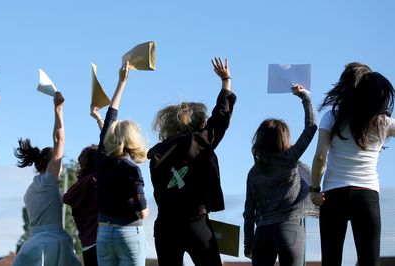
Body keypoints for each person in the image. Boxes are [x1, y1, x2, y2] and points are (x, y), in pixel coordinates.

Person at [147, 57, 236, 266]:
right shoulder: (196, 143)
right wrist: (226, 82)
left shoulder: (156, 153)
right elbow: (220, 119)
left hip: (165, 225)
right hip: (194, 221)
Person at [311, 65, 394, 266]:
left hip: (333, 195)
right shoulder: (383, 122)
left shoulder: (332, 117)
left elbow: (320, 157)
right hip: (367, 195)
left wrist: (315, 189)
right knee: (369, 261)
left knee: (331, 261)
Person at [242, 84, 317, 266]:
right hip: (289, 229)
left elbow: (248, 213)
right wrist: (305, 97)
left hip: (262, 234)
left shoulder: (253, 172)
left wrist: (248, 243)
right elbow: (311, 127)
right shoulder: (289, 159)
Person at [13, 92, 81, 266]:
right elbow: (59, 140)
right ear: (52, 163)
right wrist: (58, 109)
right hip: (53, 245)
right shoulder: (49, 181)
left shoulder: (30, 190)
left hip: (31, 246)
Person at [95, 61, 149, 266]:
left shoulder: (101, 159)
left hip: (103, 234)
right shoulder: (131, 170)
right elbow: (142, 210)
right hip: (128, 233)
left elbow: (110, 118)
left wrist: (121, 82)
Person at [63, 145, 99, 266]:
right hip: (103, 239)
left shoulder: (79, 185)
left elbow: (67, 198)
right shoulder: (98, 181)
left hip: (87, 242)